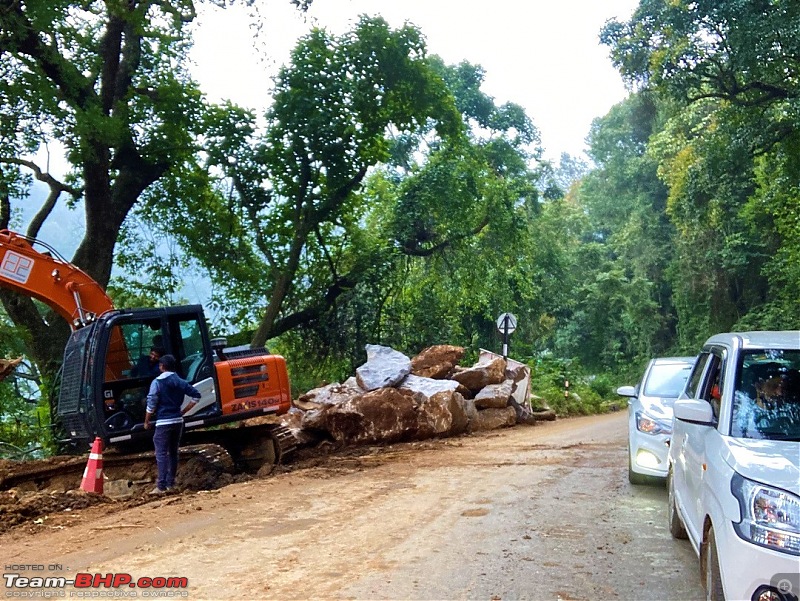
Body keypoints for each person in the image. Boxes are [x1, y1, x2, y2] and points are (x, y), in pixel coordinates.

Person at [143, 354, 201, 494]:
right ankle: (171, 484)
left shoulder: (157, 382)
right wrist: (183, 411)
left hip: (163, 421)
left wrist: (147, 420)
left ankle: (161, 486)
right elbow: (196, 396)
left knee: (161, 453)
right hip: (177, 421)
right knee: (173, 452)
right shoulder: (180, 381)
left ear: (162, 366)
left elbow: (151, 404)